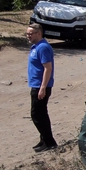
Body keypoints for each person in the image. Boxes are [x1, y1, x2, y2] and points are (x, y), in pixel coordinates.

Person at [26, 23, 57, 152]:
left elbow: (47, 68)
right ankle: (44, 140)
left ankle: (49, 142)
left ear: (39, 33)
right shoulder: (35, 46)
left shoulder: (43, 47)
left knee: (37, 115)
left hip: (41, 86)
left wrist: (43, 87)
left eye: (30, 33)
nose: (28, 36)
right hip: (36, 85)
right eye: (27, 33)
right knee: (40, 113)